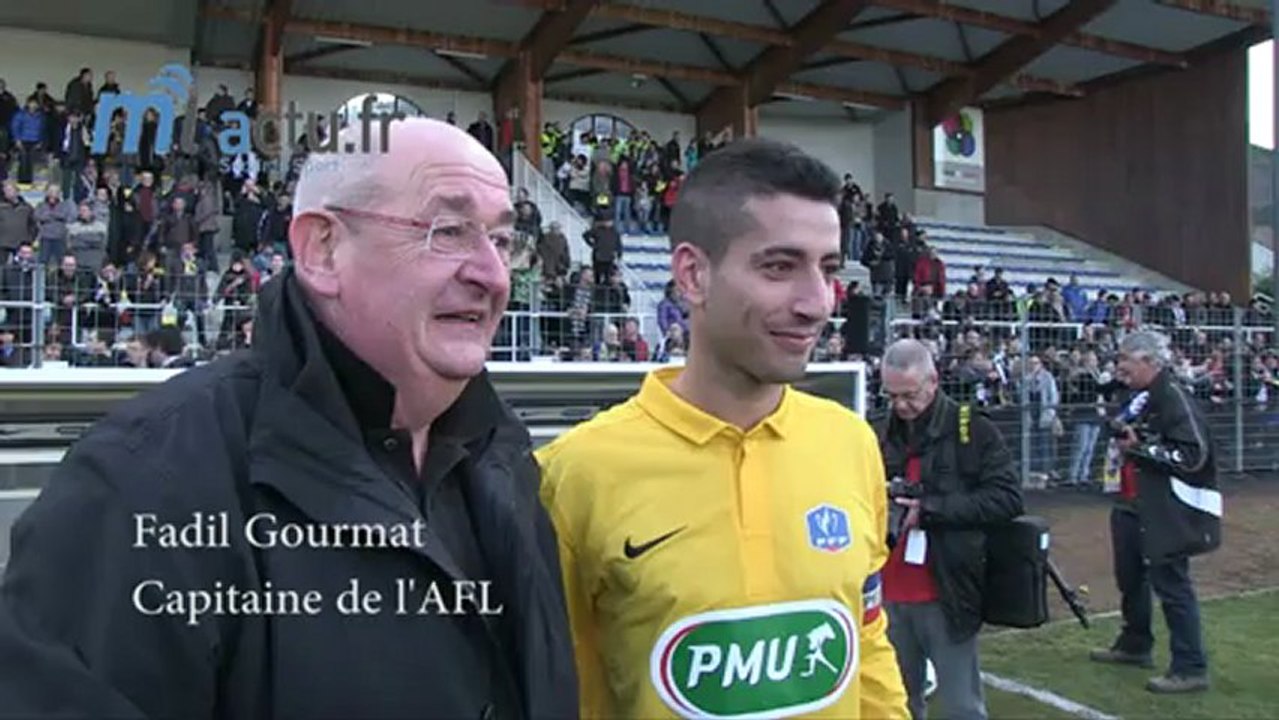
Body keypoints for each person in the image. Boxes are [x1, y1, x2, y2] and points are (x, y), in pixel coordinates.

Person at [0, 118, 578, 719]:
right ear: (322, 250)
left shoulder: (504, 458)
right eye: (449, 231)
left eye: (502, 240)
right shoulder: (138, 487)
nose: (493, 274)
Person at [537, 139, 909, 719]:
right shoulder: (575, 473)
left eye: (829, 269)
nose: (817, 302)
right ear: (692, 275)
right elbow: (560, 694)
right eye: (779, 266)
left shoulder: (850, 442)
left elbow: (866, 638)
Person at [875, 338, 1023, 720]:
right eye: (892, 396)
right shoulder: (880, 432)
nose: (900, 405)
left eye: (909, 395)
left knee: (961, 706)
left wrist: (930, 509)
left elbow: (1007, 499)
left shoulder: (972, 430)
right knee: (895, 705)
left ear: (933, 381)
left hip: (947, 589)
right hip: (887, 588)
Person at [1089, 330, 1219, 694]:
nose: (1119, 367)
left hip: (1165, 508)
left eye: (1125, 360)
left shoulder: (1173, 397)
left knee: (1172, 584)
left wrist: (1140, 448)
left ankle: (1190, 667)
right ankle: (1135, 644)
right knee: (1130, 577)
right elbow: (1128, 431)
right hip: (1132, 501)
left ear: (1149, 361)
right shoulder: (1140, 396)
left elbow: (1194, 455)